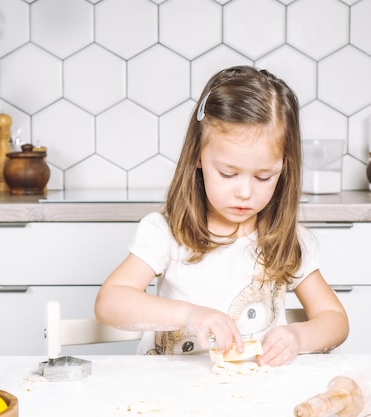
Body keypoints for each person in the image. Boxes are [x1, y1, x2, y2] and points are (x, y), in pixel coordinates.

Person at [94, 66, 349, 367]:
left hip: (254, 396)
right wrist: (190, 314)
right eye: (228, 173)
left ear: (285, 168)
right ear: (198, 158)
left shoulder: (286, 241)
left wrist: (298, 336)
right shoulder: (168, 233)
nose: (244, 192)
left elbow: (335, 320)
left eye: (264, 177)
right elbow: (110, 303)